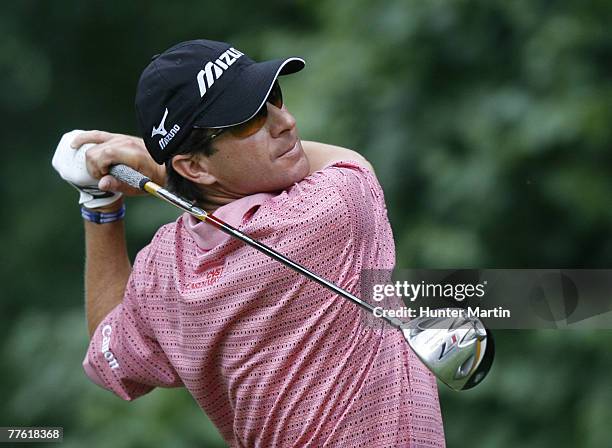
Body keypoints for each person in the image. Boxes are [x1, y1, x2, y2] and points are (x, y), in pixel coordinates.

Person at [53, 39, 446, 447]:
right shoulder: (334, 207)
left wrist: (99, 202)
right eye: (248, 121)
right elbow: (349, 161)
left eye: (273, 98)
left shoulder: (165, 269)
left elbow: (107, 351)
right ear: (196, 166)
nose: (286, 122)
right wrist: (157, 168)